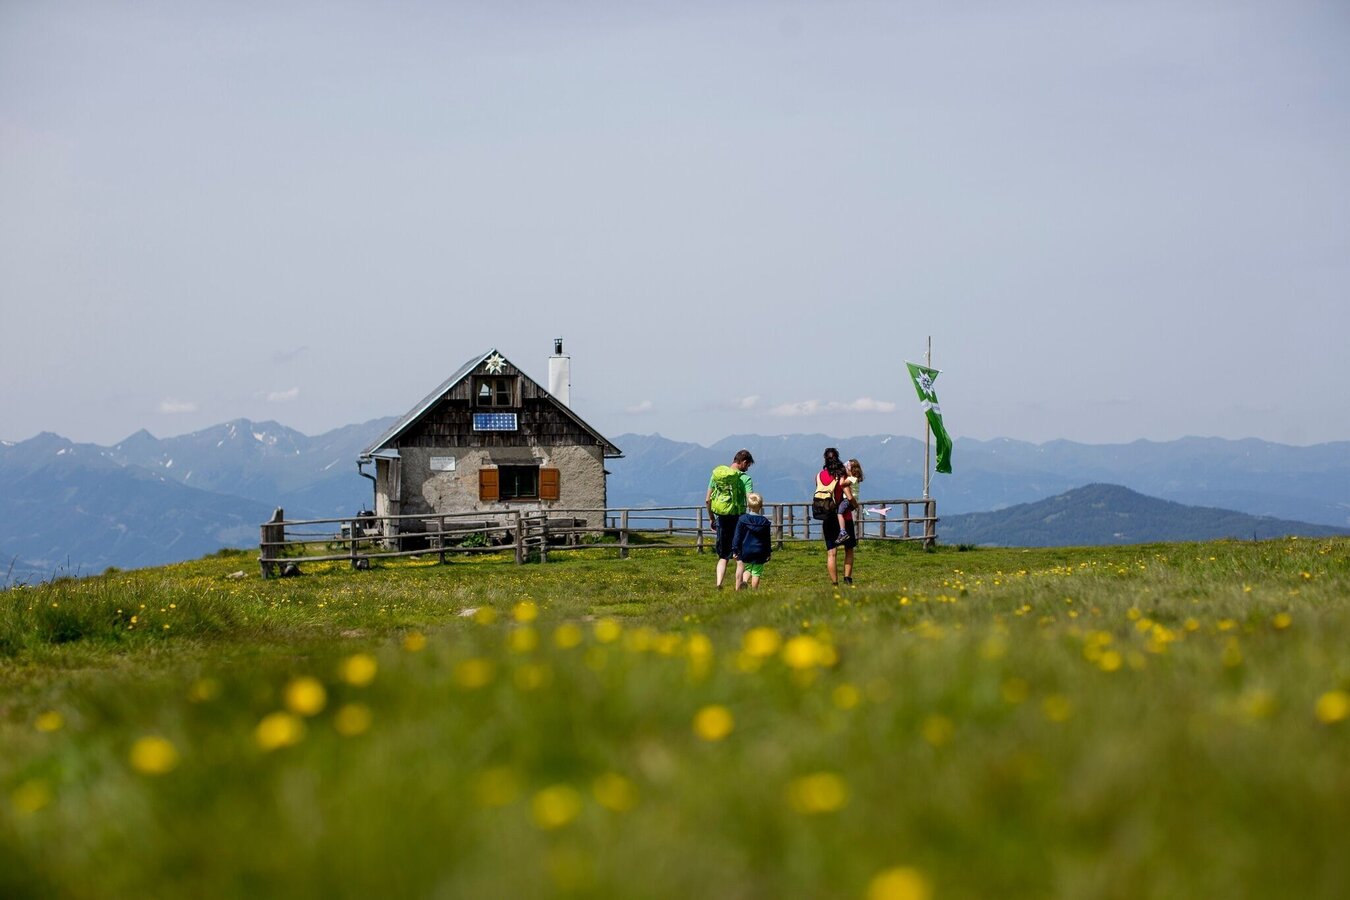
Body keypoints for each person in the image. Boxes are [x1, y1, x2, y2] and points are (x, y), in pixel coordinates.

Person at [706, 448, 754, 588]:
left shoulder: (717, 476)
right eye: (748, 465)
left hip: (722, 518)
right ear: (743, 462)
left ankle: (719, 583)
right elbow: (750, 500)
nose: (747, 469)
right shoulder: (745, 478)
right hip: (739, 518)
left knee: (723, 556)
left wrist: (711, 518)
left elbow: (708, 500)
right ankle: (738, 588)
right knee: (740, 557)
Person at [817, 447, 856, 586]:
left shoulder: (819, 475)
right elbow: (849, 495)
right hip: (844, 517)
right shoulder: (841, 474)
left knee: (831, 553)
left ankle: (835, 584)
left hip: (827, 517)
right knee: (849, 549)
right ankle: (847, 579)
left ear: (825, 459)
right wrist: (855, 505)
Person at [732, 493, 772, 590]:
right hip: (760, 550)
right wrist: (768, 552)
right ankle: (754, 592)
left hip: (746, 550)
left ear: (748, 506)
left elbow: (737, 536)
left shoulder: (742, 519)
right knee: (756, 572)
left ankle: (745, 582)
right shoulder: (764, 522)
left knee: (748, 568)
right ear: (761, 506)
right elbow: (767, 538)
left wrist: (735, 549)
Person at [836, 458, 864, 543]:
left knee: (839, 513)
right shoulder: (855, 478)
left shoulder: (851, 478)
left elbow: (841, 484)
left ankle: (843, 531)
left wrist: (841, 476)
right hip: (852, 500)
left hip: (848, 500)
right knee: (843, 513)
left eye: (848, 467)